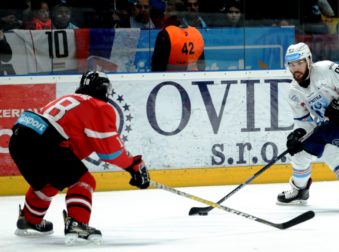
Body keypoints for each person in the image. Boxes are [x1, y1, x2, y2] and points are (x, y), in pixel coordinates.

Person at [9, 71, 150, 244]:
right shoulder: (98, 106)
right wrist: (133, 165)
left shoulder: (70, 99)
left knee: (50, 182)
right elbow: (110, 151)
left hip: (19, 138)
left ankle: (30, 220)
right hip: (44, 140)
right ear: (102, 88)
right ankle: (77, 223)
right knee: (83, 181)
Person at [277, 42, 339, 212]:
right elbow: (304, 121)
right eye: (292, 65)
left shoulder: (326, 69)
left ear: (308, 60)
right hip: (326, 125)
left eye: (299, 63)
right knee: (299, 152)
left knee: (332, 153)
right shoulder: (293, 91)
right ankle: (300, 190)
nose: (295, 68)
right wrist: (298, 135)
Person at [151, 1, 205, 72]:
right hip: (192, 78)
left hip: (170, 80)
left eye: (168, 10)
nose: (164, 13)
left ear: (175, 14)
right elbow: (202, 66)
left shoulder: (165, 34)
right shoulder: (197, 33)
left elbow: (157, 67)